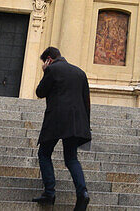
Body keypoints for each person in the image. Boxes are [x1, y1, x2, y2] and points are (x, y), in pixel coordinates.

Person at [33, 47, 91, 209]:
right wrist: (86, 124)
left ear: (48, 59)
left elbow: (40, 92)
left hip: (56, 119)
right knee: (71, 158)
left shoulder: (52, 69)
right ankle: (83, 194)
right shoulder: (80, 72)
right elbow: (86, 100)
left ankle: (49, 193)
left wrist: (45, 71)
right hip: (76, 122)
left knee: (44, 153)